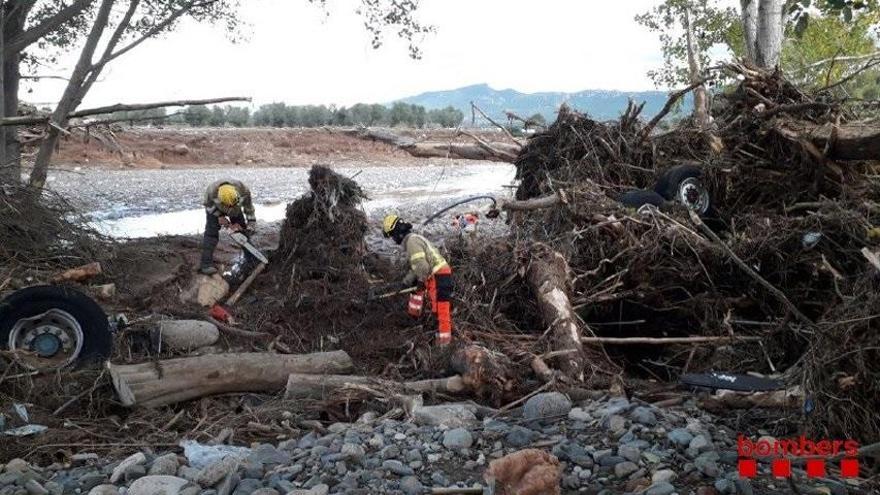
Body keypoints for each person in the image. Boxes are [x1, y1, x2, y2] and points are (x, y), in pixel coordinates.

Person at [382, 214, 453, 346]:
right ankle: (414, 319)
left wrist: (421, 281)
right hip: (438, 274)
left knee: (440, 310)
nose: (392, 239)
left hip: (438, 276)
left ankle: (444, 345)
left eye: (392, 235)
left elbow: (422, 266)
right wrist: (406, 282)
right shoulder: (413, 239)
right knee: (426, 300)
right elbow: (416, 268)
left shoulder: (411, 242)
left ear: (397, 233)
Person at [199, 179, 256, 275]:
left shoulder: (243, 190)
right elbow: (208, 205)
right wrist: (219, 216)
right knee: (211, 233)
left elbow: (249, 208)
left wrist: (250, 225)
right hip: (215, 209)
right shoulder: (211, 192)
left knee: (242, 233)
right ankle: (206, 264)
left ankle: (251, 258)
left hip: (236, 210)